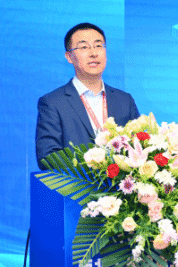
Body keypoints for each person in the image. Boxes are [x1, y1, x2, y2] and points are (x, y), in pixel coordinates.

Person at [35, 22, 139, 170]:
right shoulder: (53, 102)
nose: (93, 53)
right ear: (69, 56)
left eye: (98, 45)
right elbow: (47, 157)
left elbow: (139, 146)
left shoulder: (124, 100)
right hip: (79, 184)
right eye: (84, 47)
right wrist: (95, 166)